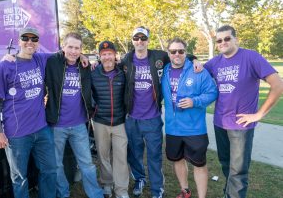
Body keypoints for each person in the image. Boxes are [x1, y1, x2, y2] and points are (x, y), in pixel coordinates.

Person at [204, 25, 283, 198]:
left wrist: (259, 114)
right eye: (219, 40)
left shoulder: (251, 57)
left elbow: (278, 85)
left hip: (240, 126)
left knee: (238, 172)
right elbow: (197, 71)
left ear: (235, 39)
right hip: (220, 123)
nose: (223, 42)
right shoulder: (215, 62)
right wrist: (192, 59)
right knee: (226, 165)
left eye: (227, 38)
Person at [121, 26, 200, 198]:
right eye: (136, 38)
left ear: (148, 40)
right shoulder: (126, 59)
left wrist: (194, 60)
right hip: (132, 118)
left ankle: (157, 190)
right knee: (134, 154)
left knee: (154, 157)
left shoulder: (159, 56)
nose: (140, 41)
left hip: (152, 118)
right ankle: (140, 179)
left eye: (143, 38)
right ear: (132, 40)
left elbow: (178, 57)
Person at [0, 27, 56, 198]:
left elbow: (66, 55)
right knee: (19, 178)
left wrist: (84, 57)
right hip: (16, 134)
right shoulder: (6, 65)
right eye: (25, 38)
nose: (30, 42)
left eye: (34, 39)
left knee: (49, 170)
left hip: (42, 129)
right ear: (19, 41)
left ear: (38, 43)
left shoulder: (40, 59)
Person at [45, 32, 103, 198]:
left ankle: (95, 194)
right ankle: (63, 193)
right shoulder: (52, 62)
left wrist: (84, 57)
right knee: (56, 165)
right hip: (56, 125)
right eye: (70, 47)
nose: (73, 51)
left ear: (81, 50)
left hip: (79, 125)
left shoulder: (84, 66)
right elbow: (30, 54)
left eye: (77, 48)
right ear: (63, 47)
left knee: (87, 164)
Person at [161, 38, 217, 198]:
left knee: (199, 164)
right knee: (177, 160)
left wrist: (195, 101)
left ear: (186, 53)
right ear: (168, 53)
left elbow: (212, 92)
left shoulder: (197, 70)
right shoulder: (164, 71)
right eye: (173, 51)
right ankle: (185, 191)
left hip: (194, 128)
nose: (177, 54)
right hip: (172, 128)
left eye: (181, 51)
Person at [91, 41, 129, 198]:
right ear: (100, 57)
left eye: (110, 54)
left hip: (120, 122)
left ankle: (121, 190)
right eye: (104, 54)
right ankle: (107, 183)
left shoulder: (123, 73)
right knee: (103, 155)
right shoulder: (92, 73)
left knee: (121, 157)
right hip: (100, 122)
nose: (107, 57)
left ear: (115, 55)